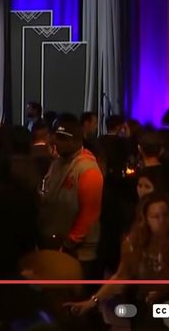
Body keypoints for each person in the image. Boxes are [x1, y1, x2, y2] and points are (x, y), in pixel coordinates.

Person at [37, 117, 103, 283]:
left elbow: (89, 213)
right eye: (56, 137)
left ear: (76, 141)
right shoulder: (58, 163)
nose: (56, 142)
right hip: (55, 243)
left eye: (62, 139)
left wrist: (69, 243)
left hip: (79, 252)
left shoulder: (88, 169)